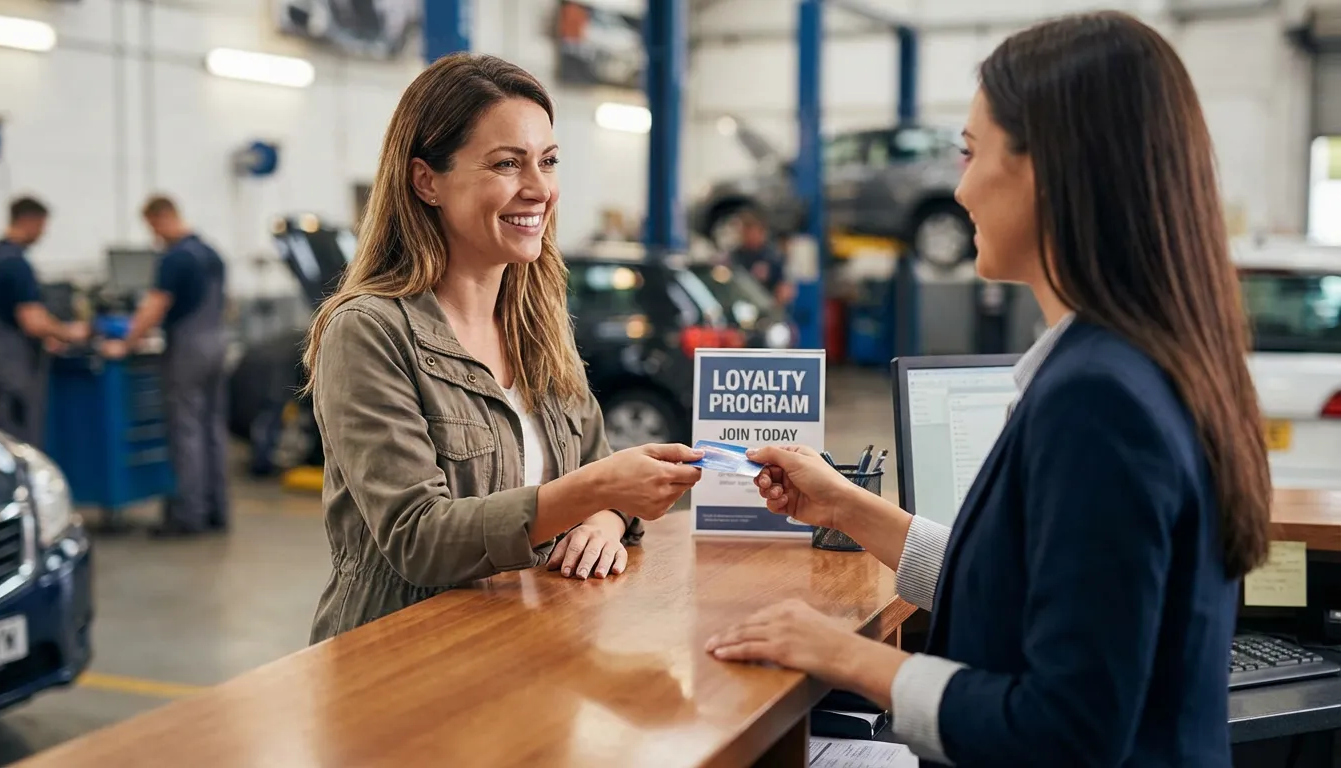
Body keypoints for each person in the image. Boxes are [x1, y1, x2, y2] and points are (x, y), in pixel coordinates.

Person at [705, 12, 1271, 767]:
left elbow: (1064, 728)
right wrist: (844, 504)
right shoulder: (1139, 361)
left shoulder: (1099, 401)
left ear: (1051, 169)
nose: (960, 188)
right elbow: (1024, 592)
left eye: (970, 155)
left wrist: (845, 656)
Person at [301, 53, 704, 643]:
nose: (539, 188)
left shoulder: (537, 323)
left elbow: (598, 468)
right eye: (507, 164)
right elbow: (420, 539)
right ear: (425, 180)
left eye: (548, 161)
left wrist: (605, 517)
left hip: (532, 649)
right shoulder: (369, 332)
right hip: (398, 664)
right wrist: (595, 492)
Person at [103, 196, 230, 538]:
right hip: (217, 343)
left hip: (188, 348)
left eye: (151, 226)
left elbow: (153, 307)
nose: (153, 235)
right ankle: (217, 511)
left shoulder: (174, 257)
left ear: (160, 218)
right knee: (212, 429)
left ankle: (189, 517)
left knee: (185, 430)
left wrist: (125, 344)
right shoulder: (211, 252)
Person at [0, 196, 88, 446]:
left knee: (0, 439)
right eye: (42, 226)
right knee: (22, 446)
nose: (42, 234)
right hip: (17, 368)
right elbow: (33, 321)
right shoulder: (16, 264)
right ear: (29, 221)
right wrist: (69, 333)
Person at [728, 212, 793, 309]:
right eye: (746, 231)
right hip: (741, 307)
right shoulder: (735, 256)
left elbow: (783, 287)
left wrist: (778, 303)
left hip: (767, 307)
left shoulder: (773, 257)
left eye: (754, 231)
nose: (750, 235)